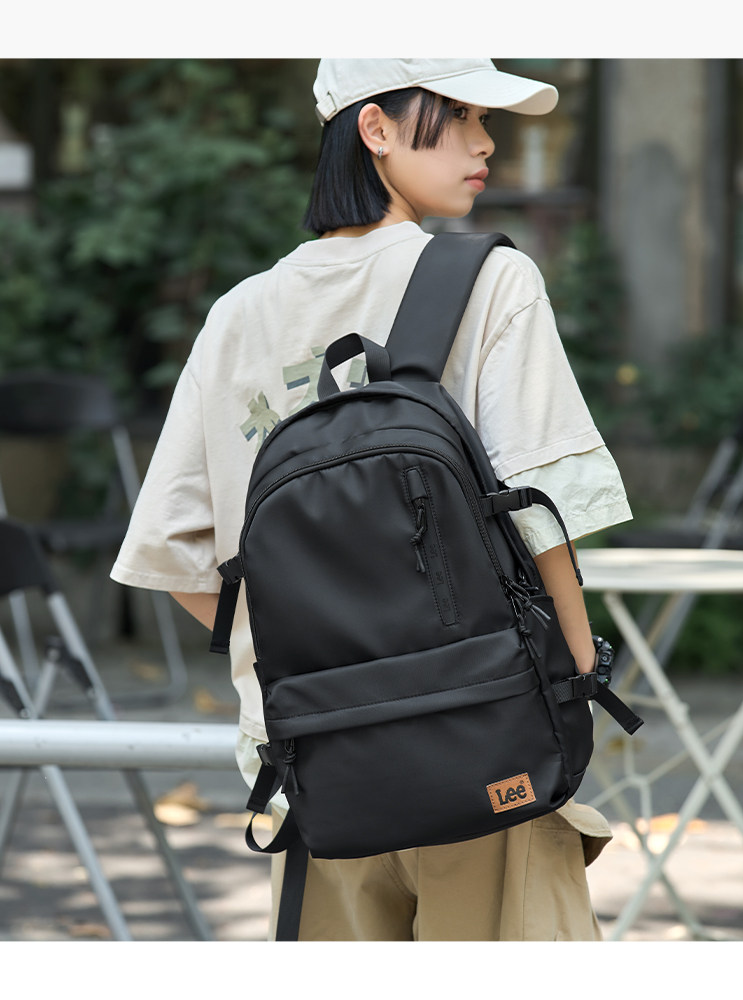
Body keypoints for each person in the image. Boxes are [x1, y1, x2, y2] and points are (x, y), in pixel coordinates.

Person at [111, 58, 632, 941]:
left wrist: (304, 670)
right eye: (459, 113)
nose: (486, 142)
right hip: (486, 739)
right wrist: (574, 683)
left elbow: (174, 554)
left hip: (318, 764)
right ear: (376, 128)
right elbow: (545, 511)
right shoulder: (490, 280)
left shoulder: (239, 314)